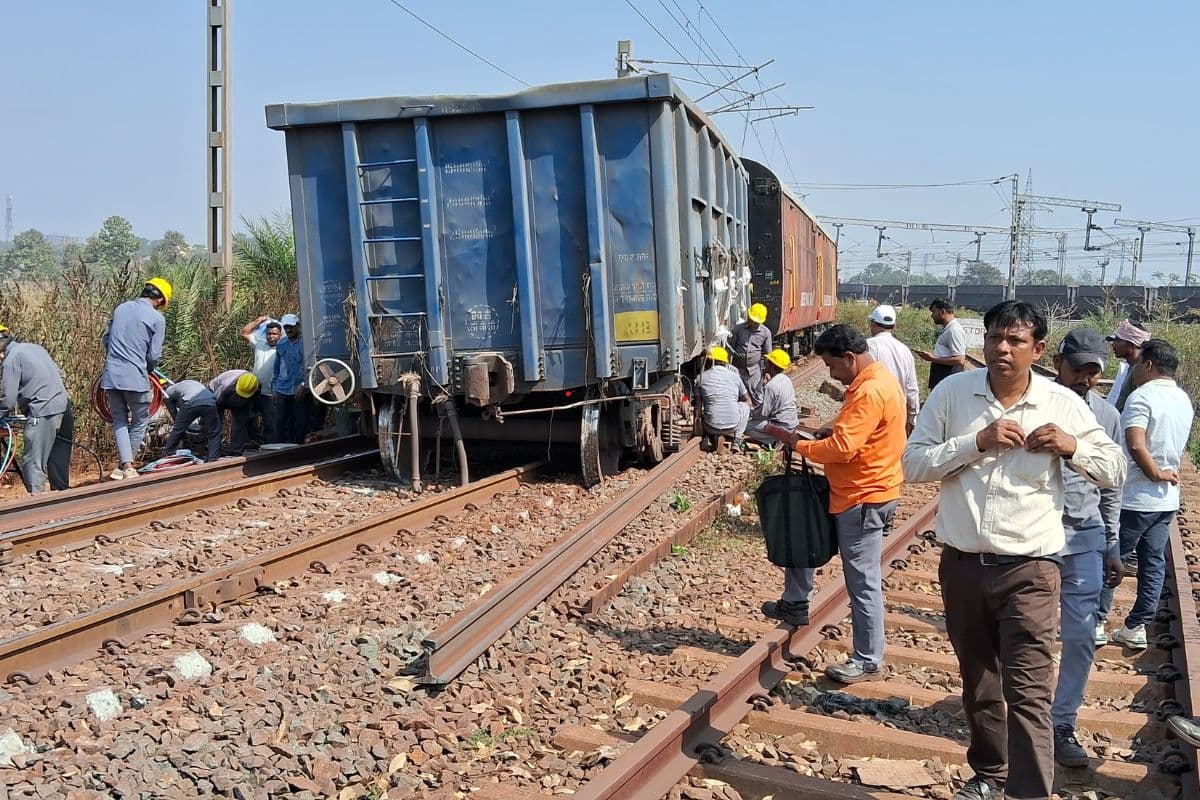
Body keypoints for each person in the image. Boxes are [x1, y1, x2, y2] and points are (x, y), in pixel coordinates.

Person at [903, 300, 1125, 800]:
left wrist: (1074, 447)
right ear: (982, 343)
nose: (1002, 348)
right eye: (994, 338)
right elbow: (912, 465)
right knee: (979, 684)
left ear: (1037, 349)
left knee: (1029, 693)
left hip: (1031, 569)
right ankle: (990, 774)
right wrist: (974, 442)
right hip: (962, 566)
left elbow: (1115, 470)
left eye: (1016, 340)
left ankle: (1029, 793)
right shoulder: (953, 394)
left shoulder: (1060, 402)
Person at [760, 324, 905, 685]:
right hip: (862, 490)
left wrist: (800, 444)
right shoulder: (879, 380)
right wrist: (832, 428)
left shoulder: (869, 391)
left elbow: (842, 450)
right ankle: (795, 602)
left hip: (863, 496)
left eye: (832, 366)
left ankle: (868, 658)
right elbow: (854, 434)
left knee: (862, 581)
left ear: (850, 358)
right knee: (802, 534)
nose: (831, 373)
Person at [1045, 328, 1124, 768]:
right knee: (1024, 635)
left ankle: (1061, 722)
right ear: (1059, 363)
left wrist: (1111, 544)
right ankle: (1019, 715)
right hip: (1036, 540)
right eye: (1079, 368)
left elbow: (1112, 488)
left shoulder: (1107, 417)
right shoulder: (1036, 405)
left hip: (1085, 537)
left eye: (1094, 371)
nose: (1086, 378)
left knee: (1080, 637)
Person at [1099, 338, 1193, 650]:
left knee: (1114, 559)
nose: (1135, 370)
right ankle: (1136, 626)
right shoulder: (1183, 399)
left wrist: (1153, 473)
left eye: (1138, 365)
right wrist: (1163, 476)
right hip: (1165, 500)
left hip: (1135, 497)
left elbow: (1136, 444)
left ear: (1148, 365)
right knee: (1152, 563)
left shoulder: (1142, 398)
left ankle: (1097, 621)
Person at [100, 278, 171, 480]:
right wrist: (149, 368)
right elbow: (154, 355)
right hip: (136, 377)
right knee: (140, 419)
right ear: (160, 300)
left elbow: (106, 339)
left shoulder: (121, 308)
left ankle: (123, 466)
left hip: (112, 376)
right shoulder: (157, 318)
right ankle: (128, 466)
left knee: (120, 420)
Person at [0, 326, 74, 494]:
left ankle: (37, 505)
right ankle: (62, 500)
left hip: (43, 411)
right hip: (64, 407)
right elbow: (61, 374)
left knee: (32, 462)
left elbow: (8, 400)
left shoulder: (11, 360)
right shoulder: (34, 348)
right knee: (58, 458)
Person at [866, 304, 920, 435]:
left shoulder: (867, 347)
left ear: (872, 324)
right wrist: (912, 418)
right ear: (894, 327)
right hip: (897, 414)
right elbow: (911, 389)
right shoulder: (904, 350)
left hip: (871, 411)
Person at [694, 345, 750, 451]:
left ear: (710, 361)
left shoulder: (699, 378)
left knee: (703, 407)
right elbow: (746, 399)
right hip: (733, 426)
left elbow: (697, 407)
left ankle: (706, 437)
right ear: (725, 362)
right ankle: (737, 441)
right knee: (745, 406)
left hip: (710, 426)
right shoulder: (735, 376)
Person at [746, 348, 799, 447]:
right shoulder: (786, 379)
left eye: (767, 362)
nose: (765, 365)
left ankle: (774, 440)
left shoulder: (771, 386)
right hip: (792, 423)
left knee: (746, 426)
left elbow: (763, 413)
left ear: (771, 365)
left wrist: (747, 413)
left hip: (781, 426)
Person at [160, 379, 221, 463]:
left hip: (190, 402)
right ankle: (213, 458)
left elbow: (174, 413)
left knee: (177, 430)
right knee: (214, 431)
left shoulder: (168, 392)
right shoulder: (187, 383)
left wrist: (181, 427)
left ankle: (167, 454)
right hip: (210, 402)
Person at [242, 316, 281, 444]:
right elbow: (244, 332)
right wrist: (258, 321)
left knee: (270, 423)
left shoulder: (283, 348)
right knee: (248, 419)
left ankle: (269, 448)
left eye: (274, 334)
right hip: (254, 391)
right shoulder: (260, 343)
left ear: (280, 335)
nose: (271, 336)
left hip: (270, 393)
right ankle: (255, 443)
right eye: (269, 333)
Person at [273, 313, 310, 445]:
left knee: (300, 421)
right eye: (286, 327)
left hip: (300, 387)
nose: (289, 330)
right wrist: (275, 386)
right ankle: (279, 449)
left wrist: (305, 384)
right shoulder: (281, 343)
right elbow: (277, 366)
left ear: (298, 326)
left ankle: (298, 447)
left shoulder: (306, 344)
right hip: (282, 387)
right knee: (280, 421)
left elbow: (310, 365)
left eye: (291, 327)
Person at [209, 370, 261, 457]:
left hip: (242, 402)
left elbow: (253, 403)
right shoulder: (225, 387)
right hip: (219, 398)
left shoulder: (256, 386)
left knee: (240, 423)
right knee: (215, 424)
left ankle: (236, 451)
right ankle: (213, 450)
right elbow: (214, 405)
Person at [918, 297, 966, 390]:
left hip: (948, 383)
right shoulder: (948, 329)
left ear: (942, 312)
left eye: (934, 312)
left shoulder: (954, 331)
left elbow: (959, 359)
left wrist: (932, 358)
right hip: (943, 381)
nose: (932, 316)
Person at [730, 303, 773, 407]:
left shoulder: (765, 333)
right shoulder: (738, 329)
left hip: (754, 370)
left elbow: (768, 354)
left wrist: (767, 372)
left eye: (756, 322)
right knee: (738, 394)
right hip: (737, 368)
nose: (753, 324)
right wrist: (728, 368)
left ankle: (756, 416)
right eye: (751, 320)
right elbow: (730, 349)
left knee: (757, 395)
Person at [1105, 319, 1150, 412]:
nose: (1113, 345)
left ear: (1132, 344)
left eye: (1118, 341)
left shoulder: (1142, 373)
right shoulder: (1127, 368)